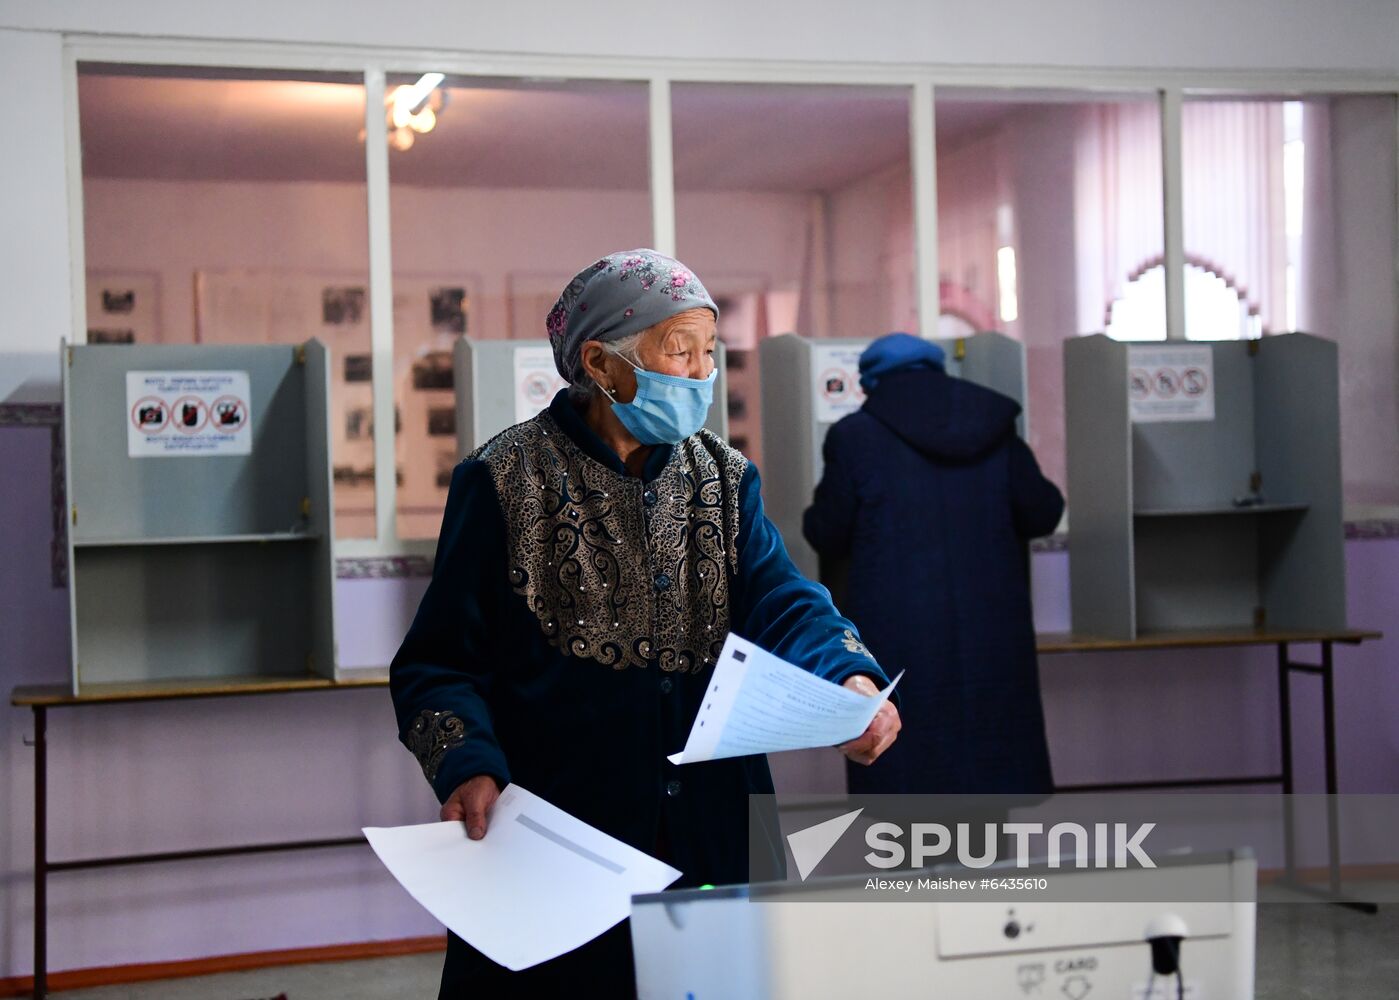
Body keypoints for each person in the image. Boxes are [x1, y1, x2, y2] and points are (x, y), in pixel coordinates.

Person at [390, 249, 901, 997]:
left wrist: (846, 677)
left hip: (713, 823)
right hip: (565, 825)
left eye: (707, 353)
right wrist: (466, 763)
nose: (699, 375)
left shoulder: (724, 479)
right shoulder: (502, 479)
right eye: (678, 352)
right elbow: (437, 662)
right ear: (599, 362)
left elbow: (782, 598)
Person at [803, 332, 1062, 798]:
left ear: (871, 383)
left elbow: (827, 532)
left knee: (905, 810)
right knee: (986, 812)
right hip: (991, 644)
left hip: (898, 647)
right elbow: (1043, 512)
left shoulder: (855, 436)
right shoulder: (993, 425)